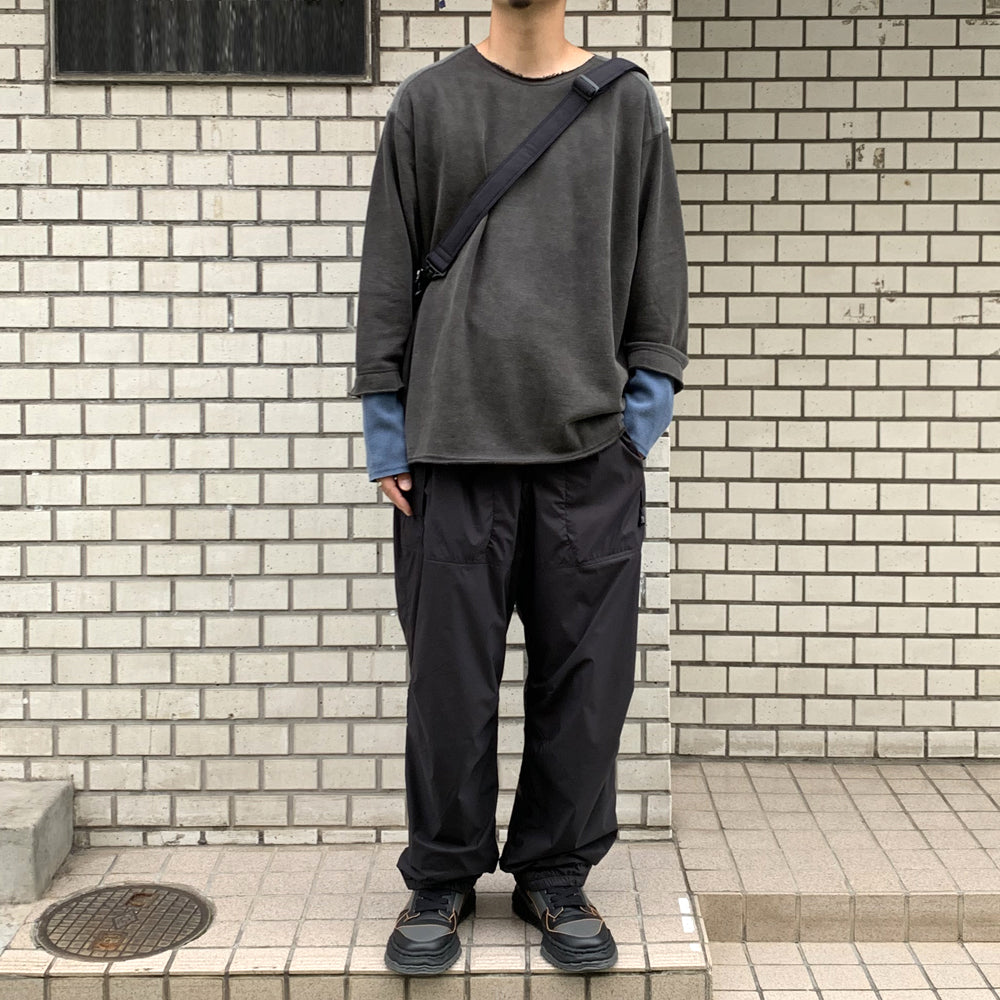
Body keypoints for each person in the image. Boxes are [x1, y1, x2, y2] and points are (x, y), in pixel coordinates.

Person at [349, 0, 689, 977]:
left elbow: (658, 267)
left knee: (587, 685)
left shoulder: (624, 105)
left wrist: (638, 422)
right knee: (448, 688)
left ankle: (555, 872)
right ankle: (442, 878)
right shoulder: (428, 103)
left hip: (587, 458)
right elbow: (386, 270)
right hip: (451, 453)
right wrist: (388, 434)